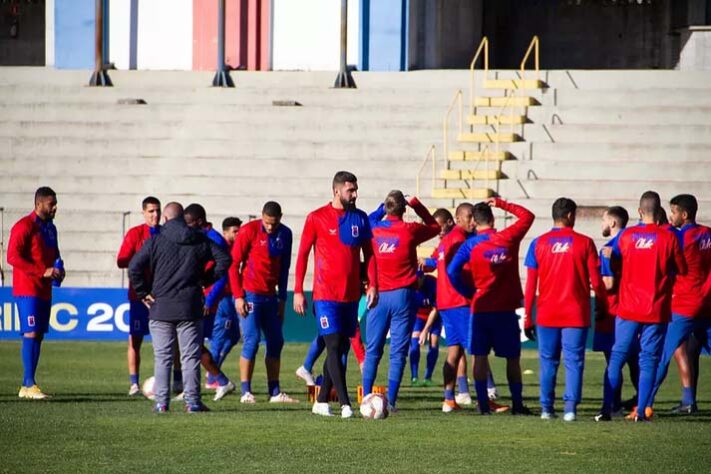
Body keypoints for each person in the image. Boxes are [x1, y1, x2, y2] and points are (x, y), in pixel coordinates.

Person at [128, 202, 231, 413]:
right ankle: (192, 403)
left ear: (165, 218)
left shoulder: (155, 240)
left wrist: (142, 292)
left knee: (163, 357)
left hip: (161, 307)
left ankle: (162, 403)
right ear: (183, 217)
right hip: (189, 306)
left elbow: (134, 267)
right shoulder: (198, 238)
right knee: (190, 357)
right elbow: (225, 259)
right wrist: (205, 279)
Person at [294, 171, 378, 418]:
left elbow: (370, 255)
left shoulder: (360, 218)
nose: (355, 194)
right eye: (350, 190)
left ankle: (321, 401)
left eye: (356, 189)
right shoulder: (316, 217)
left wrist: (372, 284)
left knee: (341, 349)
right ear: (337, 190)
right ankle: (345, 404)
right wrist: (298, 290)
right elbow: (302, 255)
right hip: (325, 296)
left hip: (351, 297)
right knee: (331, 345)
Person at [599, 191, 686, 422]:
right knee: (648, 360)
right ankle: (641, 411)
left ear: (639, 211)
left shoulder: (627, 236)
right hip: (656, 309)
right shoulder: (670, 238)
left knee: (617, 357)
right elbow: (682, 268)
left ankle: (608, 408)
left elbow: (610, 256)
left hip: (628, 308)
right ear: (659, 212)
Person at [447, 197, 535, 415]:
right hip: (505, 310)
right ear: (493, 219)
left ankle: (484, 406)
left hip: (481, 309)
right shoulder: (508, 237)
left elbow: (451, 272)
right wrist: (501, 202)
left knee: (479, 356)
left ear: (475, 223)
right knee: (512, 358)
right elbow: (528, 216)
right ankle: (516, 405)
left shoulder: (469, 245)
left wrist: (469, 291)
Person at [524, 197, 606, 421]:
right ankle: (570, 409)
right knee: (574, 361)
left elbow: (531, 285)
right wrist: (602, 303)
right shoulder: (585, 243)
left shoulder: (538, 243)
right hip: (576, 313)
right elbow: (596, 282)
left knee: (548, 361)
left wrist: (527, 319)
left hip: (547, 313)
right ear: (570, 215)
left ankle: (546, 409)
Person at [361, 191, 439, 410]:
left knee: (373, 349)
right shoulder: (409, 230)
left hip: (377, 296)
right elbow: (434, 227)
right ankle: (392, 402)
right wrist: (416, 204)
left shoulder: (374, 228)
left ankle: (366, 398)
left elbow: (370, 217)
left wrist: (381, 207)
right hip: (403, 296)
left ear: (387, 208)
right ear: (404, 210)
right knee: (398, 351)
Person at [229, 202, 297, 404]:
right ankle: (245, 392)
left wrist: (282, 299)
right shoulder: (248, 231)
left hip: (270, 296)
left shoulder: (285, 234)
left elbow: (284, 270)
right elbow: (233, 264)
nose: (270, 227)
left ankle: (274, 392)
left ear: (280, 218)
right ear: (262, 217)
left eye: (274, 223)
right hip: (250, 294)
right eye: (267, 223)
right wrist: (238, 296)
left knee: (276, 341)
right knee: (252, 340)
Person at [649, 194, 710, 414]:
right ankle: (688, 402)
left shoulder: (680, 238)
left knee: (661, 355)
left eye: (673, 212)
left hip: (684, 304)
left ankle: (644, 404)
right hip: (707, 304)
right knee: (691, 350)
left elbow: (669, 268)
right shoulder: (707, 234)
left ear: (684, 215)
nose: (671, 216)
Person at [8, 187, 64, 399]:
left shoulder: (51, 228)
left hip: (44, 289)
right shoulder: (24, 226)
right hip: (27, 289)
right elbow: (12, 257)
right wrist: (42, 271)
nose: (55, 207)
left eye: (55, 203)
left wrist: (59, 269)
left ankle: (27, 384)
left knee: (38, 335)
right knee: (31, 332)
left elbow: (55, 253)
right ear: (39, 204)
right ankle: (29, 384)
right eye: (51, 203)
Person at [184, 204, 236, 401]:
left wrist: (209, 300)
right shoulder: (201, 237)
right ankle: (202, 384)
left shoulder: (213, 239)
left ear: (198, 222)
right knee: (192, 343)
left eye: (188, 223)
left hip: (207, 300)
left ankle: (217, 381)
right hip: (199, 297)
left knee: (194, 343)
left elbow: (223, 274)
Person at [593, 206, 639, 420]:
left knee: (614, 361)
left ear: (612, 223)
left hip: (613, 312)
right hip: (636, 308)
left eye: (603, 220)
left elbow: (609, 284)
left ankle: (612, 406)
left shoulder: (609, 248)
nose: (602, 224)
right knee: (635, 360)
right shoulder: (634, 243)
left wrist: (593, 282)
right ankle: (642, 403)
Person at [117, 196, 165, 396]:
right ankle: (134, 384)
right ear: (144, 212)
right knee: (135, 340)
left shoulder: (165, 234)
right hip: (139, 297)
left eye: (157, 211)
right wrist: (142, 260)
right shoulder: (135, 234)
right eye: (151, 211)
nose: (155, 215)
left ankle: (166, 382)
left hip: (162, 296)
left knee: (164, 341)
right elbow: (121, 261)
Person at [434, 203, 476, 413]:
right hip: (458, 301)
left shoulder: (446, 240)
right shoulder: (460, 239)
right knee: (476, 349)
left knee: (454, 351)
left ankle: (449, 399)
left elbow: (437, 263)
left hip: (444, 302)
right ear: (458, 218)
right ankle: (486, 398)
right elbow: (462, 271)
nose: (473, 221)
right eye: (469, 217)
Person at [208, 217, 243, 380]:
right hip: (222, 298)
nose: (238, 234)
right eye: (234, 231)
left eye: (239, 231)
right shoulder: (219, 248)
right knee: (219, 337)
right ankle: (211, 377)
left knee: (235, 336)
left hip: (231, 296)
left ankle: (215, 370)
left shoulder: (237, 248)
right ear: (225, 232)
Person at [410, 273, 440, 387]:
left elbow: (435, 310)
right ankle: (414, 377)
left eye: (418, 279)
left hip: (435, 315)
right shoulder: (411, 286)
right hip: (418, 315)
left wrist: (425, 331)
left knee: (434, 342)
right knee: (414, 342)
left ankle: (428, 377)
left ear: (422, 277)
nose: (416, 281)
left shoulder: (433, 284)